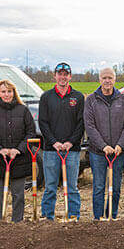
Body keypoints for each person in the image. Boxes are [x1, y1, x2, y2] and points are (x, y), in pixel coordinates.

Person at [0, 79, 37, 222]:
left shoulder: (23, 110)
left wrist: (19, 149)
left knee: (18, 195)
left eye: (9, 91)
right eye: (3, 91)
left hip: (19, 159)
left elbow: (30, 133)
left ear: (14, 92)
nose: (6, 94)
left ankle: (17, 223)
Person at [38, 62, 85, 220]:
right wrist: (54, 142)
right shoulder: (46, 97)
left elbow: (81, 123)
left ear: (70, 76)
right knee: (50, 187)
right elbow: (43, 123)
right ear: (55, 76)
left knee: (71, 187)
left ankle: (73, 217)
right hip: (52, 150)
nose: (63, 77)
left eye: (66, 74)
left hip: (72, 150)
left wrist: (71, 142)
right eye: (60, 74)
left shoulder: (78, 97)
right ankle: (47, 217)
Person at [84, 67, 124, 219]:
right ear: (99, 80)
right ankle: (98, 218)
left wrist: (120, 145)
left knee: (115, 187)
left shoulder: (123, 99)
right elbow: (89, 126)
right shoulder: (91, 100)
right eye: (104, 78)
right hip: (98, 153)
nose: (107, 81)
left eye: (110, 77)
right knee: (98, 187)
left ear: (114, 80)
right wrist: (103, 146)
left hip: (118, 152)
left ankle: (112, 216)